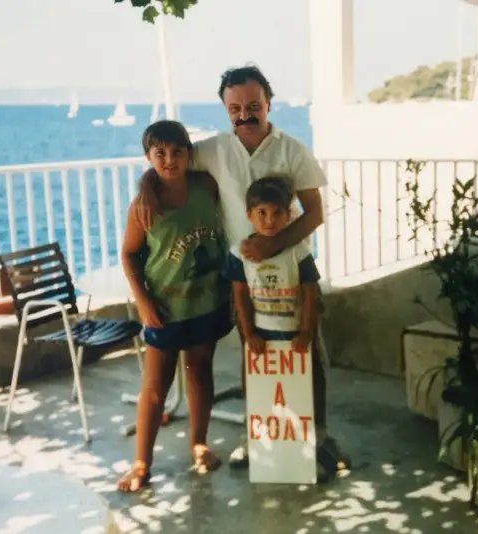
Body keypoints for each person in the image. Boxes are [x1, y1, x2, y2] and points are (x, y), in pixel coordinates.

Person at [138, 64, 349, 472]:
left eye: (253, 105)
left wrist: (273, 242)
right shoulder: (215, 149)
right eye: (235, 107)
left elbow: (315, 212)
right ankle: (260, 437)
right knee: (254, 352)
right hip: (244, 278)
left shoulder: (291, 150)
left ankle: (318, 435)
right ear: (226, 109)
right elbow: (171, 162)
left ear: (268, 103)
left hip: (293, 268)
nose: (245, 114)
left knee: (308, 354)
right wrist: (147, 184)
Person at [117, 120, 233, 492]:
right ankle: (141, 463)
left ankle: (199, 443)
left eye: (177, 151)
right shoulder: (144, 205)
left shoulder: (205, 186)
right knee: (155, 386)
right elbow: (129, 255)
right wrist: (143, 301)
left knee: (200, 372)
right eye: (160, 154)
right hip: (165, 310)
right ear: (148, 158)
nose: (170, 160)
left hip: (207, 300)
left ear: (188, 153)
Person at [223, 176, 338, 477]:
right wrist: (249, 334)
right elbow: (239, 296)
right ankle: (258, 442)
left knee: (303, 389)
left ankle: (312, 447)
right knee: (263, 390)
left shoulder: (299, 252)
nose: (270, 220)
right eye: (261, 213)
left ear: (289, 216)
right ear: (249, 215)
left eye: (277, 213)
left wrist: (306, 332)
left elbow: (310, 294)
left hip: (295, 333)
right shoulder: (239, 254)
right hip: (263, 334)